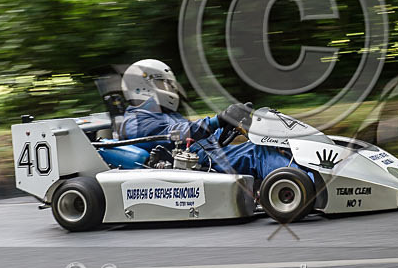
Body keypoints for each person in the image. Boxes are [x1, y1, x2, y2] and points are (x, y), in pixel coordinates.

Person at [118, 59, 292, 180]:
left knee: (271, 144)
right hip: (193, 163)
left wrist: (227, 126)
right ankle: (303, 183)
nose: (170, 90)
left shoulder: (162, 114)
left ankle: (305, 176)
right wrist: (219, 119)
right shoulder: (137, 120)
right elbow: (179, 133)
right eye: (164, 84)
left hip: (205, 156)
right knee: (257, 153)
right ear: (142, 87)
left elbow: (194, 135)